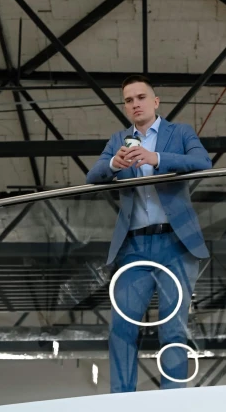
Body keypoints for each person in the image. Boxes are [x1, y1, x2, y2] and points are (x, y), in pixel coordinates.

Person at [86, 74, 212, 393]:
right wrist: (114, 165)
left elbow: (203, 162)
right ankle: (123, 400)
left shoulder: (179, 132)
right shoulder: (119, 140)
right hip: (134, 246)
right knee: (121, 328)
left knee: (173, 327)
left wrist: (157, 159)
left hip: (175, 243)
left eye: (141, 97)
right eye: (129, 100)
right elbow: (93, 176)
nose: (135, 104)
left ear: (155, 101)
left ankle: (173, 398)